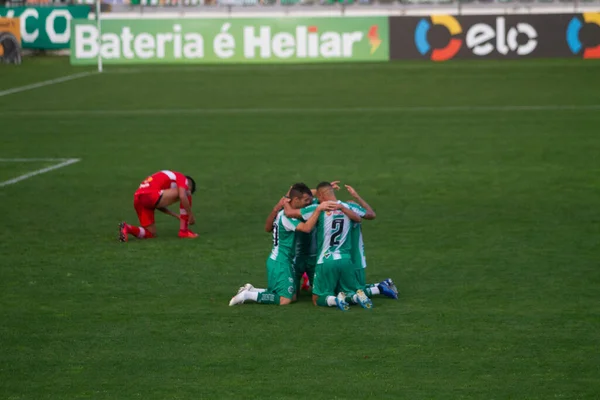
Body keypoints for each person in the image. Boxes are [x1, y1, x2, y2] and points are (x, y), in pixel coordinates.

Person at [229, 183, 338, 306]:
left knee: (291, 295)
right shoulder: (287, 217)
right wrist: (318, 209)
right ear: (296, 200)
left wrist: (324, 190)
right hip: (280, 261)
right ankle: (246, 295)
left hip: (281, 259)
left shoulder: (281, 211)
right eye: (306, 200)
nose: (309, 202)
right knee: (285, 300)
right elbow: (307, 228)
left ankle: (252, 290)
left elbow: (267, 227)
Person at [287, 182, 371, 311]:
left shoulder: (318, 208)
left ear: (321, 195)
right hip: (345, 259)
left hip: (325, 260)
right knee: (347, 291)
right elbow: (366, 216)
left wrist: (285, 201)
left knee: (317, 298)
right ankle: (355, 298)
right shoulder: (348, 207)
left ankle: (336, 300)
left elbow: (290, 213)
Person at [343, 184, 398, 300]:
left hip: (354, 258)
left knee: (356, 291)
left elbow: (371, 214)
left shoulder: (347, 216)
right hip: (354, 256)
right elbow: (369, 212)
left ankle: (380, 289)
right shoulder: (352, 216)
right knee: (352, 287)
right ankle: (383, 283)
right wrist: (356, 197)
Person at [119, 170, 198, 241]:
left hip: (138, 198)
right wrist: (190, 215)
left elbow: (156, 203)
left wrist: (176, 215)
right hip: (149, 195)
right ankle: (184, 231)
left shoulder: (168, 182)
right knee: (186, 194)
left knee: (150, 234)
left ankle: (127, 228)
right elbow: (182, 196)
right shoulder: (182, 178)